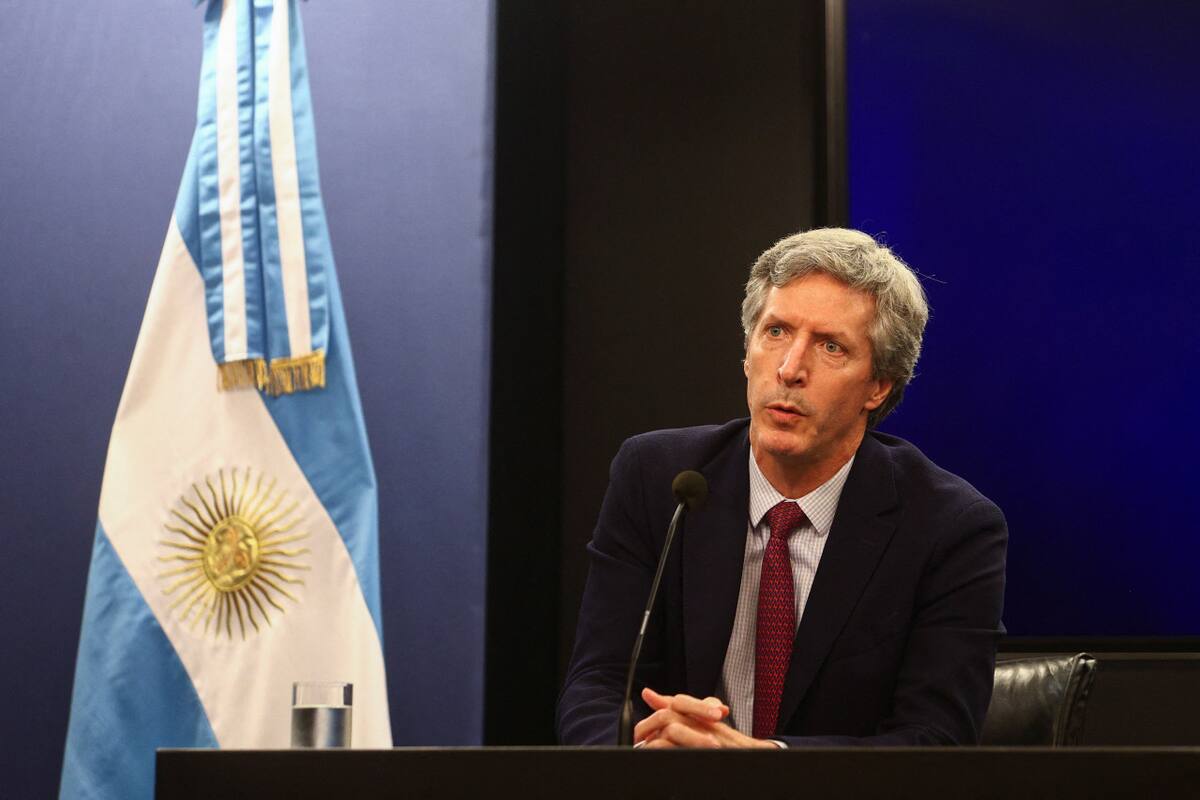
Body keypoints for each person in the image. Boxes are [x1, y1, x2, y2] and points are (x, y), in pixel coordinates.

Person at [557, 228, 1007, 747]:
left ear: (879, 385)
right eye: (775, 333)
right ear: (747, 352)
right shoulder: (660, 481)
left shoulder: (950, 528)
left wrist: (760, 764)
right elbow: (598, 684)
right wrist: (647, 755)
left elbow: (935, 738)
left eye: (831, 346)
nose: (790, 369)